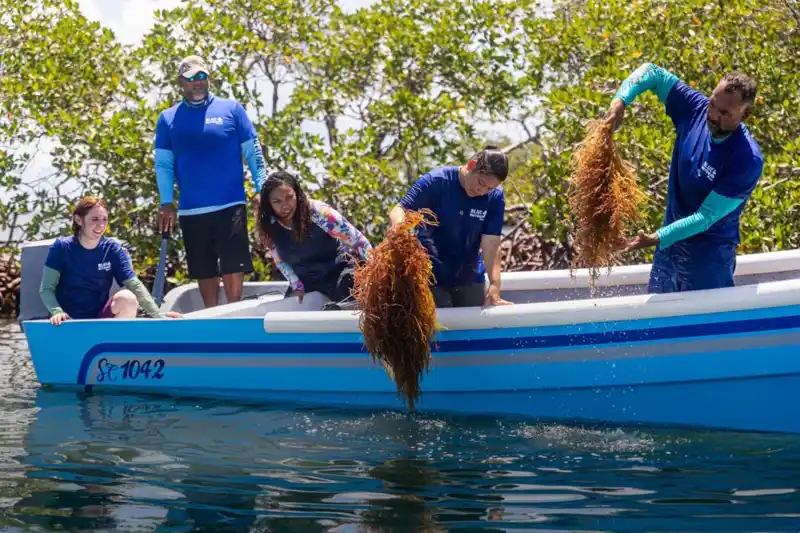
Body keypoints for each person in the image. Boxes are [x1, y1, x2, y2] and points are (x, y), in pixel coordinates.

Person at [607, 63, 764, 294]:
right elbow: (652, 72)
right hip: (668, 250)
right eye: (713, 104)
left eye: (724, 113)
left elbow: (705, 217)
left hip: (707, 260)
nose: (713, 115)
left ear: (744, 115)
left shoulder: (746, 158)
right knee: (659, 315)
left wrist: (656, 238)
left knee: (707, 319)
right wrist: (620, 101)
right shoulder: (695, 109)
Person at [154, 54, 269, 308]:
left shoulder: (232, 109)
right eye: (191, 78)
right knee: (204, 270)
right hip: (192, 210)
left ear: (208, 78)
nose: (197, 82)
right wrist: (166, 201)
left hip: (231, 204)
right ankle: (211, 316)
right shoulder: (167, 118)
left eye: (201, 76)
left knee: (233, 266)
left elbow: (254, 154)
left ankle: (233, 314)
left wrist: (262, 189)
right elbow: (163, 164)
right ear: (181, 83)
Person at [389, 146, 513, 308]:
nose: (482, 191)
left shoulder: (495, 196)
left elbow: (491, 242)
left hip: (471, 278)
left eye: (489, 188)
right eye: (481, 183)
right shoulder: (436, 181)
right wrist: (399, 230)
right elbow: (400, 210)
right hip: (431, 278)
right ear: (471, 165)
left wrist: (495, 284)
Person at [40, 196, 183, 326]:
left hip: (99, 320)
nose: (101, 225)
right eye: (94, 219)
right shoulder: (62, 247)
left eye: (104, 220)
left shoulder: (112, 248)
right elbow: (46, 288)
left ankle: (116, 344)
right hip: (67, 322)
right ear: (78, 220)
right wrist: (57, 312)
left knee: (128, 298)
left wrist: (158, 316)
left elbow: (135, 285)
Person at [257, 170, 372, 305]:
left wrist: (374, 271)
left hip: (340, 274)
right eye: (277, 201)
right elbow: (280, 260)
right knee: (290, 308)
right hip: (306, 281)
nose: (285, 206)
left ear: (297, 194)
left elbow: (359, 242)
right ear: (269, 204)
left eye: (289, 197)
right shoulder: (269, 224)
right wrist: (296, 285)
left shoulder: (319, 213)